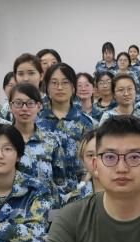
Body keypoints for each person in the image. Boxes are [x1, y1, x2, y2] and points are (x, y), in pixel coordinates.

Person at [39, 63, 97, 192]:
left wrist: (83, 184)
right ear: (47, 87)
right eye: (54, 83)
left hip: (80, 190)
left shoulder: (87, 123)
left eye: (65, 82)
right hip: (44, 193)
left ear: (73, 87)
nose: (60, 87)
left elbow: (94, 159)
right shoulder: (37, 121)